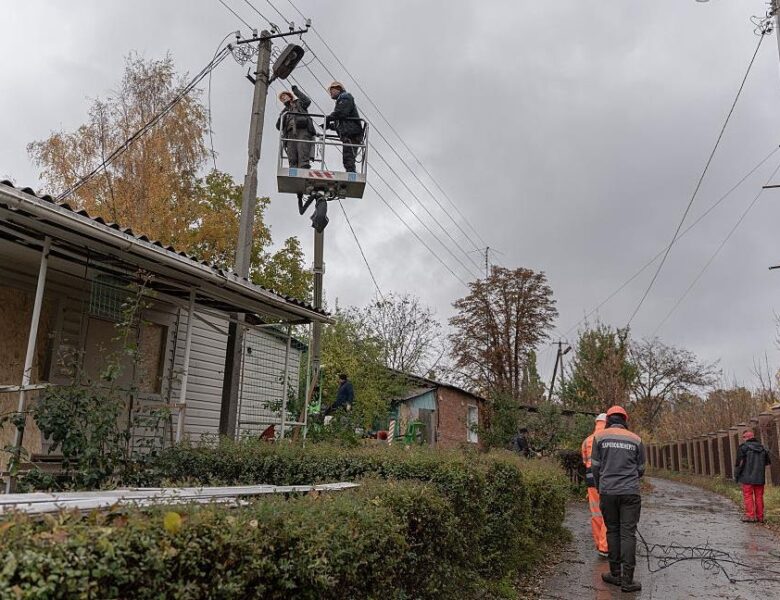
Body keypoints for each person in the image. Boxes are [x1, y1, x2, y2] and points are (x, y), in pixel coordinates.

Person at [591, 405, 645, 593]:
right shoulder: (636, 439)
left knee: (612, 531)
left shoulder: (599, 438)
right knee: (628, 533)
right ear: (625, 420)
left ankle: (615, 574)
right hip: (630, 492)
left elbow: (595, 467)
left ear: (608, 420)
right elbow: (641, 469)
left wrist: (602, 486)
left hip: (608, 492)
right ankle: (628, 581)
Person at [581, 413, 609, 558]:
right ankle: (605, 547)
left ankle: (599, 544)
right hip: (606, 480)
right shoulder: (608, 439)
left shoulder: (587, 441)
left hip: (591, 480)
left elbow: (585, 461)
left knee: (596, 513)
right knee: (607, 513)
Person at [325, 81, 363, 172]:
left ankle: (351, 175)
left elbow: (342, 113)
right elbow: (341, 122)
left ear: (339, 89)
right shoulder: (342, 100)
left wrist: (329, 118)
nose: (331, 93)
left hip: (352, 134)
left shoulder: (345, 97)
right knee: (348, 158)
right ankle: (351, 173)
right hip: (350, 133)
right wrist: (330, 126)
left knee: (348, 158)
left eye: (332, 90)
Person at [275, 85, 315, 170]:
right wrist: (281, 116)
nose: (283, 98)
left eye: (284, 96)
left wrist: (296, 91)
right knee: (292, 153)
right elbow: (278, 126)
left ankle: (303, 167)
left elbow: (307, 101)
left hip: (302, 129)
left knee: (302, 148)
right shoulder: (284, 112)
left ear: (290, 96)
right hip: (290, 133)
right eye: (281, 98)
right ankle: (293, 168)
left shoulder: (299, 103)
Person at [735, 430, 771, 523]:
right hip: (759, 477)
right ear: (753, 437)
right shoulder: (762, 448)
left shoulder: (743, 448)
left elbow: (739, 463)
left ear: (747, 438)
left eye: (743, 437)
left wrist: (737, 475)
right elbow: (767, 463)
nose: (743, 439)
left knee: (748, 496)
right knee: (759, 496)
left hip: (747, 477)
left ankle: (750, 516)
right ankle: (760, 517)